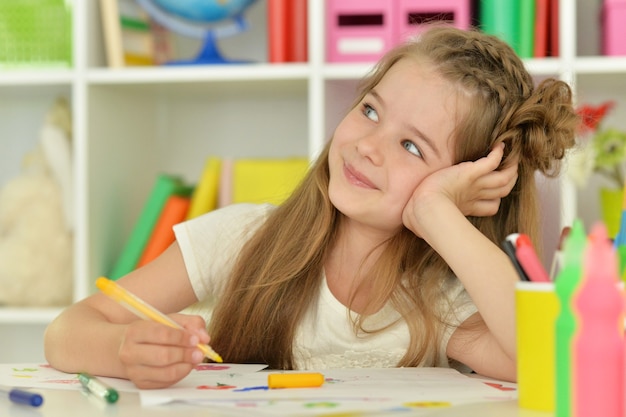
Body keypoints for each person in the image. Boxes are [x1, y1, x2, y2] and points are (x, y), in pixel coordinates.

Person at [44, 25, 578, 389]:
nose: (368, 145)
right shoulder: (241, 237)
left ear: (467, 182)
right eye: (370, 110)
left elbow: (552, 365)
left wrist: (438, 212)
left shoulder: (435, 304)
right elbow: (66, 331)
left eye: (412, 146)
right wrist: (124, 350)